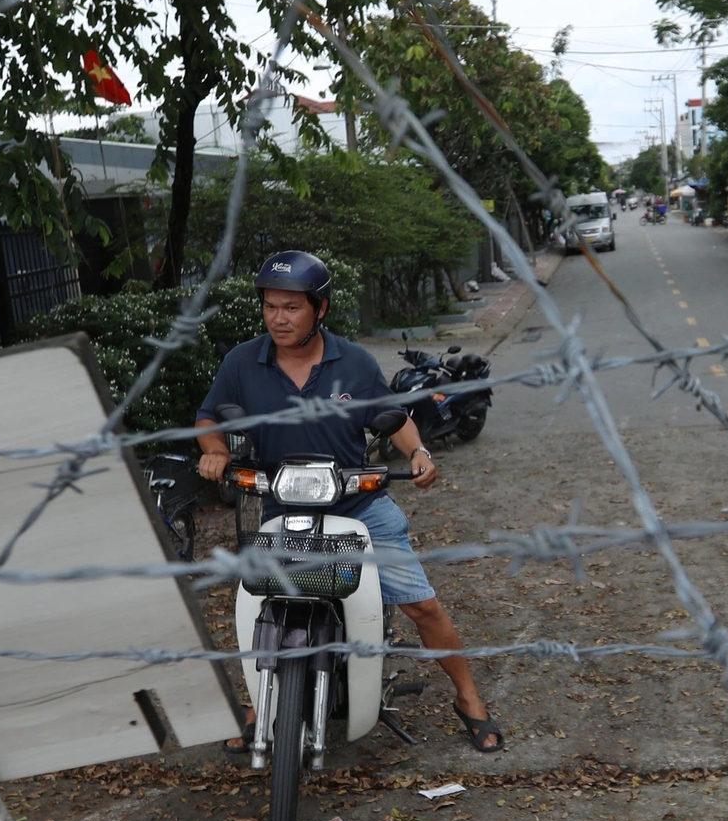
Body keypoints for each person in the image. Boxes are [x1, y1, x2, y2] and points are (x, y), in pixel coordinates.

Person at [195, 251, 504, 753]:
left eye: (292, 307)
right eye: (271, 306)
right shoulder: (241, 363)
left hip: (359, 506)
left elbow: (392, 415)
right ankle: (260, 702)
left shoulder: (353, 361)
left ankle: (469, 697)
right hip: (284, 508)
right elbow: (209, 417)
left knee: (422, 605)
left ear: (320, 309)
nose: (279, 318)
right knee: (260, 605)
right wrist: (213, 452)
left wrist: (420, 452)